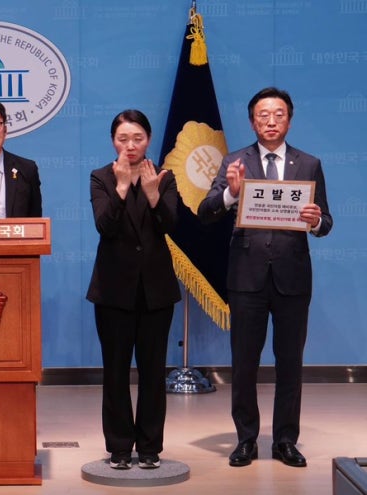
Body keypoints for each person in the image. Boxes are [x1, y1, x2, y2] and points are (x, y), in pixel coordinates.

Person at [198, 87, 333, 468]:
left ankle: (286, 440)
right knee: (244, 363)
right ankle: (246, 439)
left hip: (293, 278)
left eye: (278, 114)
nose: (271, 121)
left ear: (289, 119)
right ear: (251, 121)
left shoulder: (309, 164)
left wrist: (316, 221)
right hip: (246, 278)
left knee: (290, 362)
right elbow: (206, 212)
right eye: (263, 115)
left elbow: (326, 222)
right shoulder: (234, 161)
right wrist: (230, 195)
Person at [86, 109, 180, 470]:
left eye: (137, 138)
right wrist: (122, 188)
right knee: (115, 371)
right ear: (113, 141)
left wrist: (154, 196)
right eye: (123, 138)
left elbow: (170, 226)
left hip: (156, 290)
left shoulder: (164, 178)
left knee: (153, 371)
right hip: (113, 290)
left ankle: (151, 447)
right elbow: (104, 226)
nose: (130, 145)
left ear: (148, 140)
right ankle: (120, 447)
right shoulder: (101, 177)